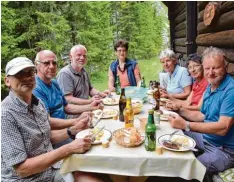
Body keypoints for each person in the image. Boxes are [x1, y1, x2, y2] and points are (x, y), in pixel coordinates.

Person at [1, 57, 104, 182]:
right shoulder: (5, 115)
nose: (27, 77)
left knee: (97, 169)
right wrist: (69, 148)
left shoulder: (38, 103)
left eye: (30, 72)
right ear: (7, 81)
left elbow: (45, 135)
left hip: (52, 168)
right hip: (29, 178)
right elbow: (22, 169)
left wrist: (73, 129)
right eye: (19, 74)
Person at [168, 47, 234, 175]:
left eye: (216, 68)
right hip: (206, 139)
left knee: (188, 167)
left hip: (225, 151)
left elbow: (223, 127)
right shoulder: (211, 85)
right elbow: (202, 115)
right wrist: (180, 110)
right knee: (173, 137)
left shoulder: (230, 90)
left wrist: (186, 125)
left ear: (225, 66)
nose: (211, 72)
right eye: (207, 68)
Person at [33, 50, 101, 147]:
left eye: (54, 63)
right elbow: (47, 121)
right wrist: (75, 122)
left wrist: (91, 107)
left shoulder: (54, 83)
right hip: (53, 139)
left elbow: (66, 107)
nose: (52, 66)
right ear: (37, 65)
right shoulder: (36, 89)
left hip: (66, 131)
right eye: (46, 63)